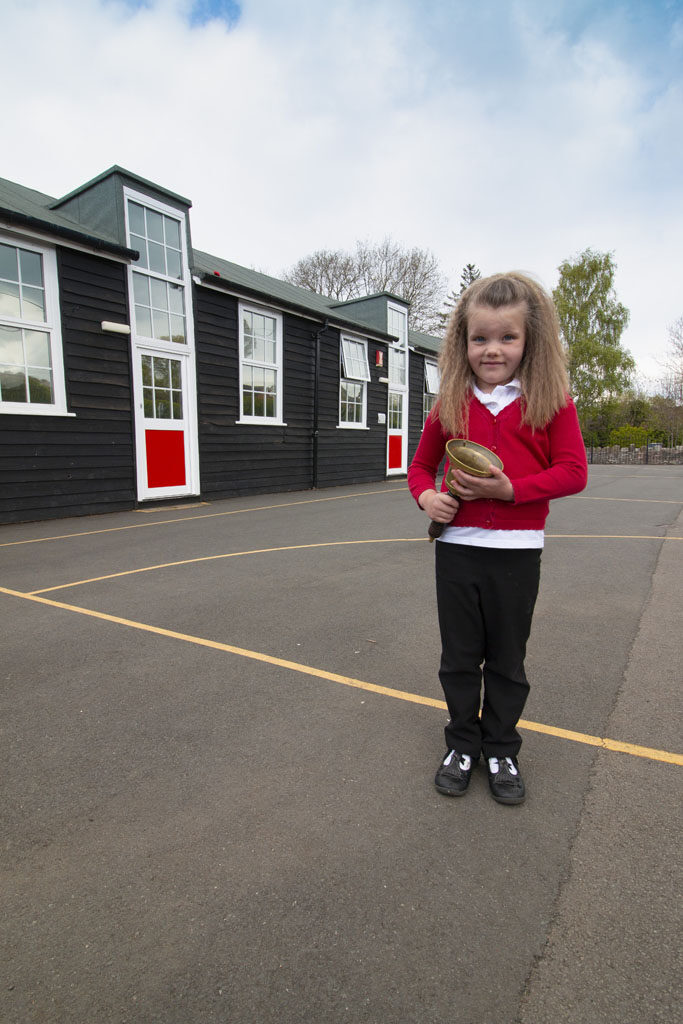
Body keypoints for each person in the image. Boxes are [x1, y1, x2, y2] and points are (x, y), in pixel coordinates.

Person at [408, 272, 587, 805]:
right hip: (458, 551)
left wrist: (513, 490)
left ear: (530, 340)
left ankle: (501, 748)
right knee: (459, 657)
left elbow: (574, 471)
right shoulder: (450, 403)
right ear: (462, 342)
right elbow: (420, 468)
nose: (493, 349)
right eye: (480, 338)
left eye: (507, 337)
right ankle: (462, 744)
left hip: (517, 553)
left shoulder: (552, 401)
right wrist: (426, 499)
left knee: (507, 659)